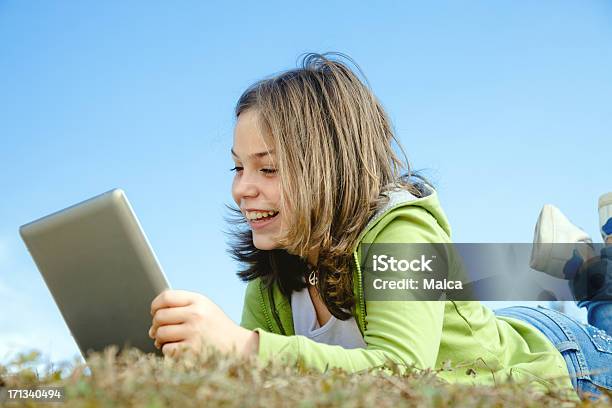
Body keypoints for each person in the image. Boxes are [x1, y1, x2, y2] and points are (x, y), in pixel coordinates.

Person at [148, 53, 611, 402]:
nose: (241, 190)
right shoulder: (274, 270)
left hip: (555, 359)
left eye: (267, 170)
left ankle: (591, 270)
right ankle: (583, 264)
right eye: (237, 169)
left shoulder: (402, 233)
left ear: (328, 169)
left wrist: (244, 346)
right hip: (484, 332)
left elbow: (403, 375)